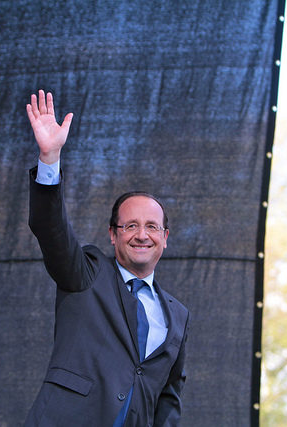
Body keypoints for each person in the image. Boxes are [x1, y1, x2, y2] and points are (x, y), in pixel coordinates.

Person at [25, 90, 189, 426]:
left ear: (165, 239)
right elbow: (50, 228)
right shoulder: (88, 273)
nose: (142, 234)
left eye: (152, 227)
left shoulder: (178, 316)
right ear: (113, 234)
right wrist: (49, 157)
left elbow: (168, 396)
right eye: (130, 225)